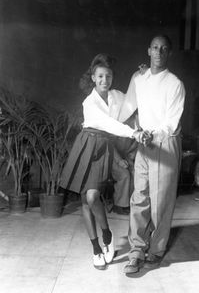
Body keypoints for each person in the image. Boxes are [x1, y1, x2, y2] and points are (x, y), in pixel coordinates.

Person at [60, 54, 150, 270]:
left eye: (108, 76)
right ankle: (96, 248)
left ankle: (107, 234)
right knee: (87, 199)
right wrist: (133, 133)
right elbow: (108, 124)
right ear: (93, 77)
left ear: (112, 78)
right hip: (87, 145)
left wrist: (141, 75)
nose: (104, 80)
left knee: (92, 197)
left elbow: (132, 99)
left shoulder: (116, 96)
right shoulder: (88, 102)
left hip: (104, 147)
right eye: (100, 76)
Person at [118, 35, 186, 274]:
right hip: (144, 144)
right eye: (155, 48)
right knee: (139, 198)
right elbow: (129, 106)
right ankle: (136, 251)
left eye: (164, 49)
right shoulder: (139, 78)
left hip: (165, 144)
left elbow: (170, 122)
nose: (159, 52)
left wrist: (151, 135)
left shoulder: (175, 84)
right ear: (148, 50)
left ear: (169, 54)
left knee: (161, 203)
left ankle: (155, 250)